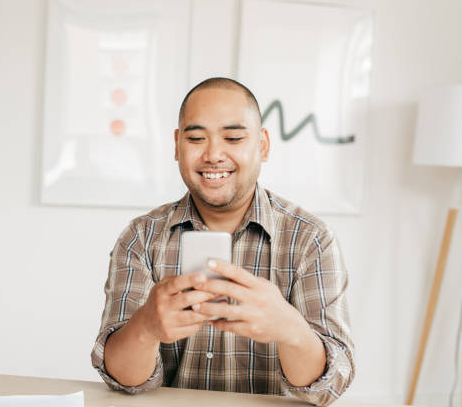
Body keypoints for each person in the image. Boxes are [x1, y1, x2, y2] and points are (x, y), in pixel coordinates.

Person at [91, 77, 355, 406]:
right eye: (197, 138)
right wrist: (146, 327)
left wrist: (290, 330)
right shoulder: (141, 238)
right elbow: (123, 381)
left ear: (263, 145)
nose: (214, 154)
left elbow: (329, 387)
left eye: (232, 137)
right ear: (176, 145)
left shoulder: (310, 240)